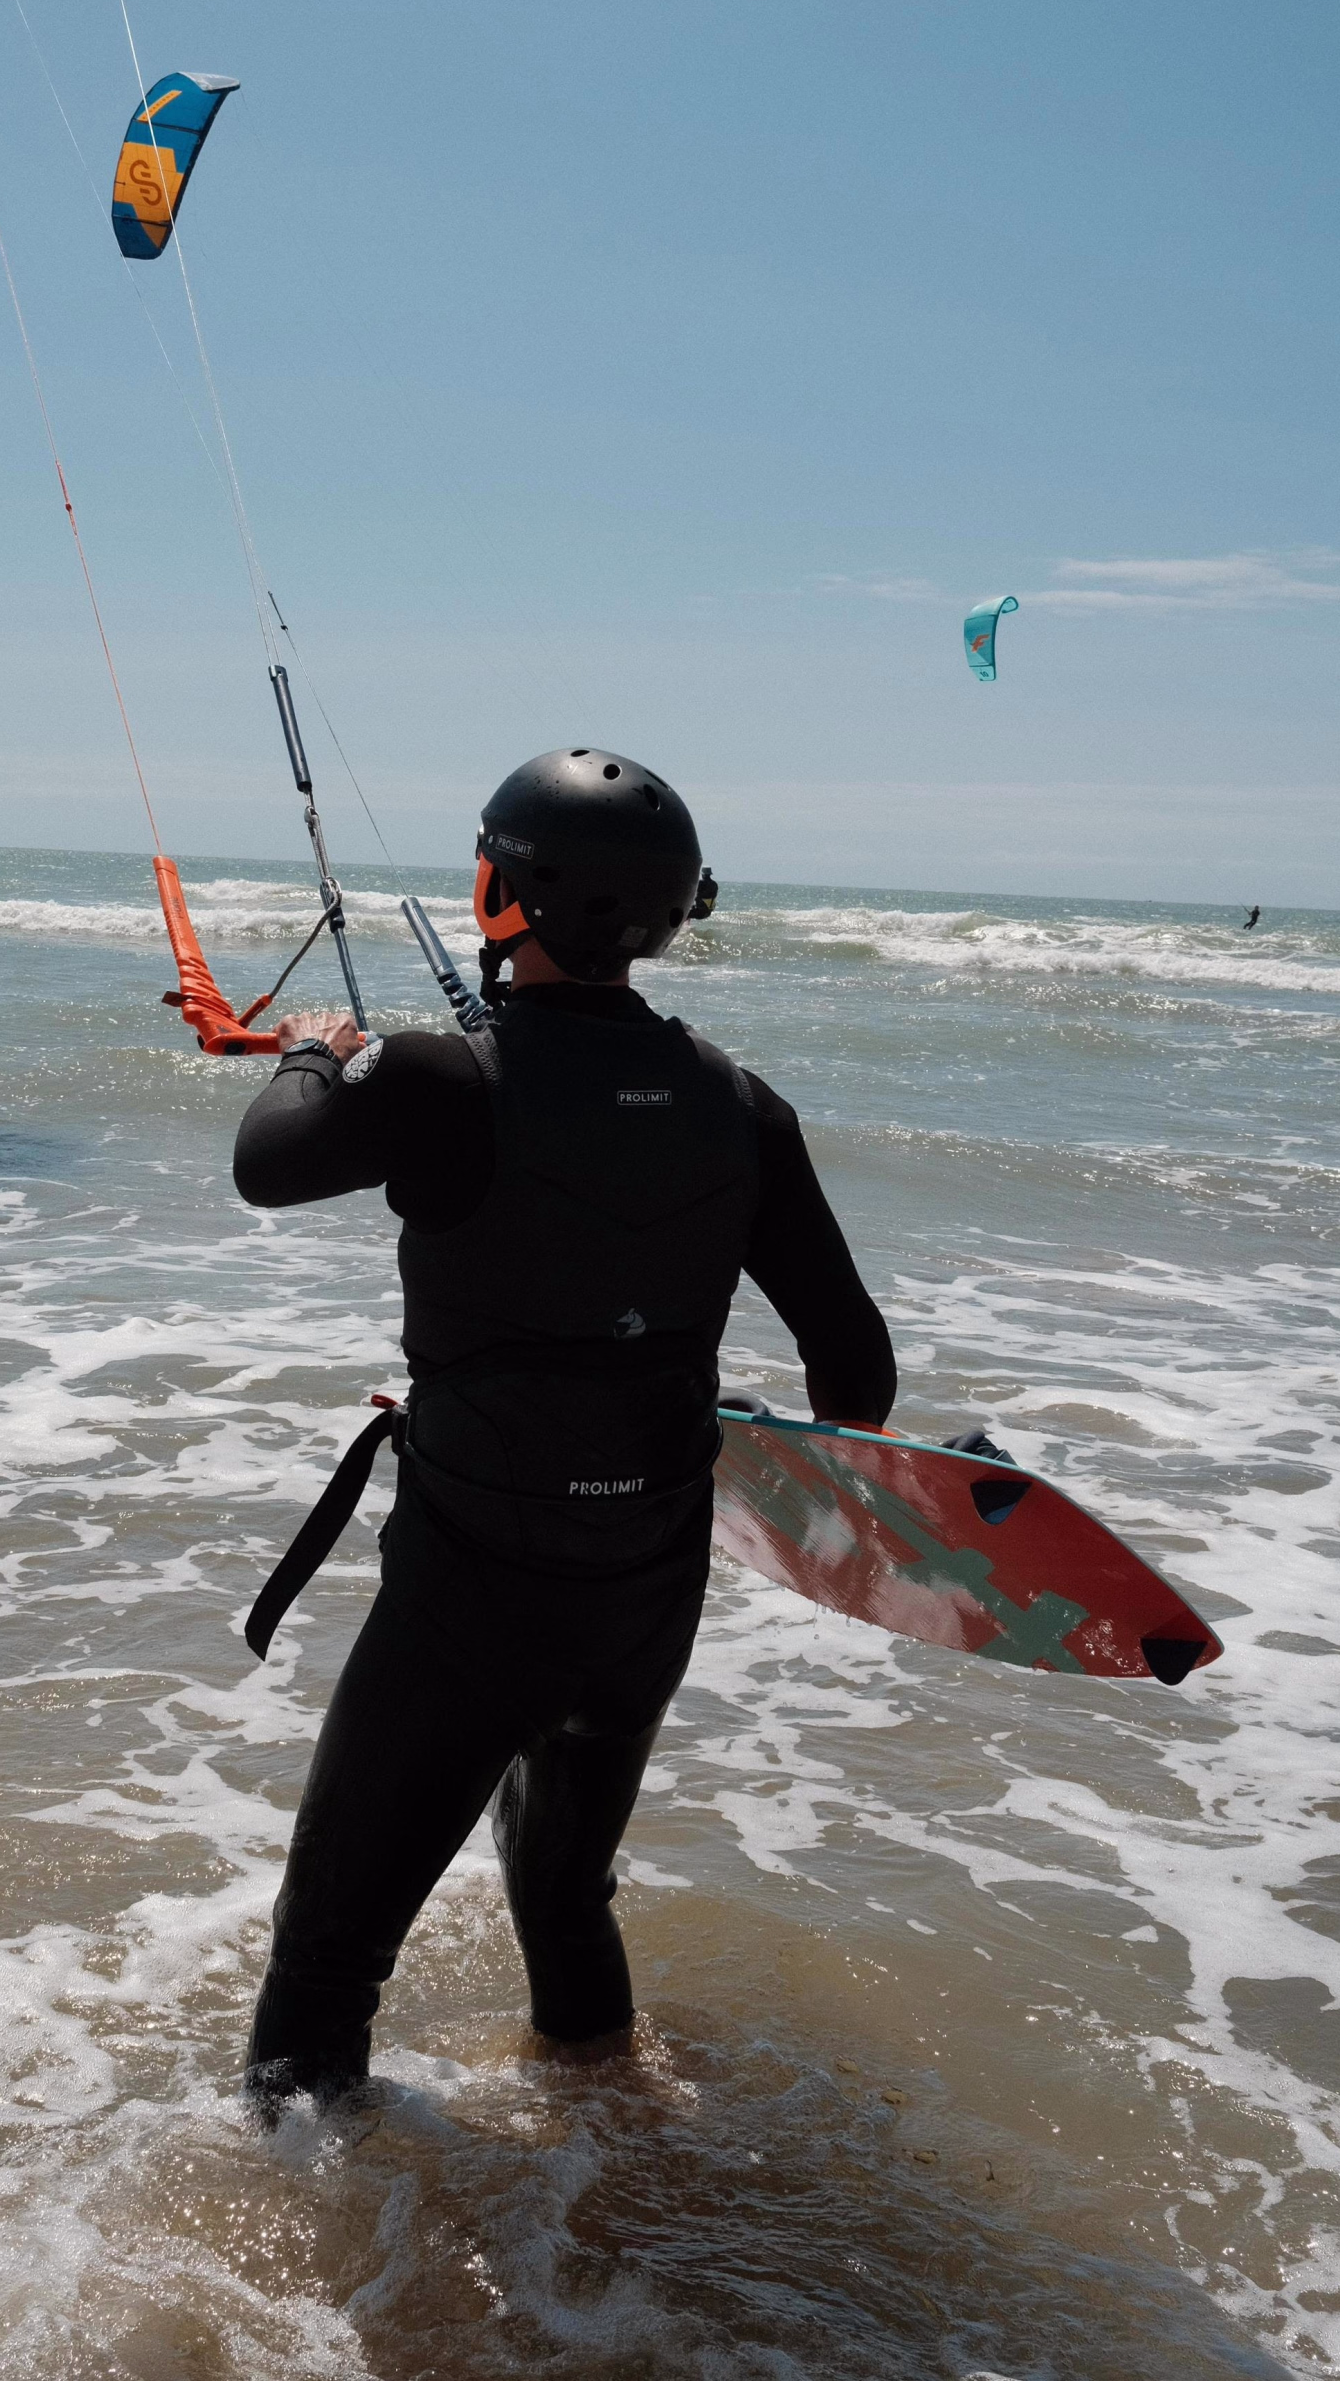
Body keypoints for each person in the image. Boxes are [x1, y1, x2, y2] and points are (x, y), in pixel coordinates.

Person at [230, 748, 895, 2113]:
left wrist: (317, 1052)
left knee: (328, 1958)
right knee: (563, 1892)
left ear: (500, 892)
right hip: (643, 1595)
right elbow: (856, 1374)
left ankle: (299, 2223)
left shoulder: (439, 1078)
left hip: (472, 1596)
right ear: (669, 916)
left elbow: (267, 1163)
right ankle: (609, 2134)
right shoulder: (740, 1103)